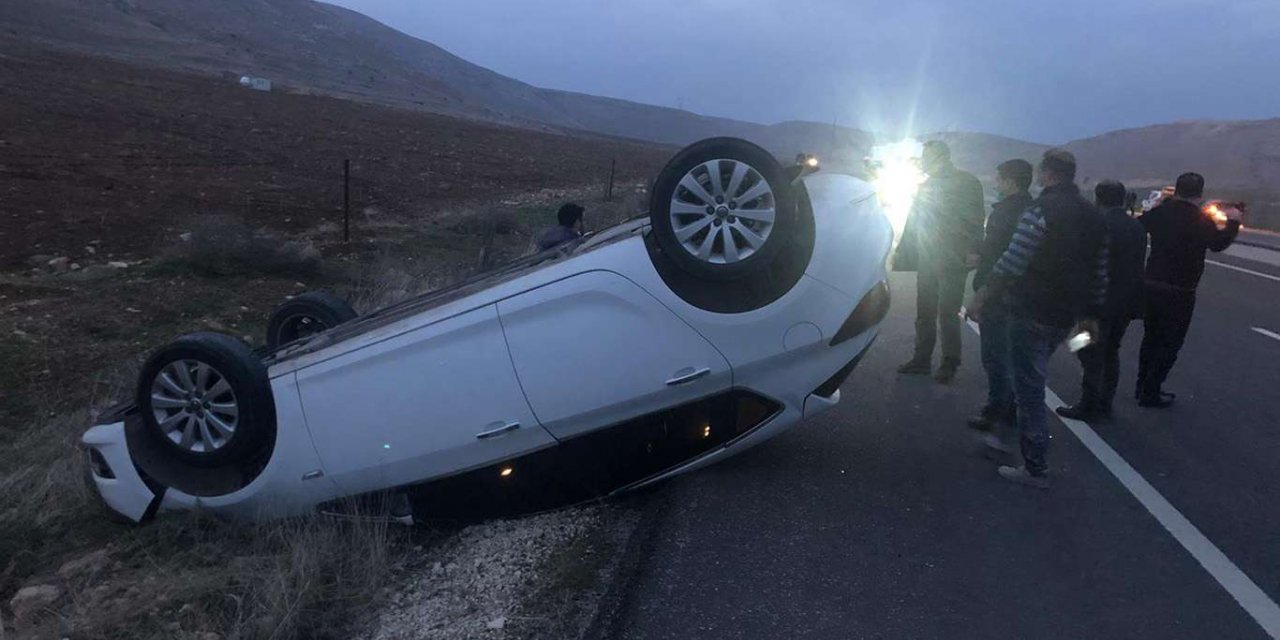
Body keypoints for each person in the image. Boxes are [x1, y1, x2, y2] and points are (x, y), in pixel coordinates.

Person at [968, 149, 1108, 489]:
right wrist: (1090, 316)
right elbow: (1100, 271)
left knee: (1028, 387)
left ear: (1047, 173)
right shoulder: (1094, 216)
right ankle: (1002, 438)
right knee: (1028, 378)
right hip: (1065, 313)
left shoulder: (1040, 210)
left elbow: (1013, 261)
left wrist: (982, 296)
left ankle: (1035, 465)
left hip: (1030, 308)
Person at [1135, 172, 1242, 407]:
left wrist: (1156, 207)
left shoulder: (1161, 213)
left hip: (1152, 284)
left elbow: (1139, 225)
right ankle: (1151, 390)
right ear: (1199, 193)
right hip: (1180, 291)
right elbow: (1218, 243)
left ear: (1177, 189)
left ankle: (1141, 385)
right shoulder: (1201, 220)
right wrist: (1233, 222)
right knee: (1170, 343)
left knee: (1151, 338)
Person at [893, 140, 986, 384]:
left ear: (941, 157)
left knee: (947, 312)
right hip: (928, 256)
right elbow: (915, 219)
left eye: (927, 157)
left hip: (954, 257)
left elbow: (977, 219)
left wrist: (974, 249)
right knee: (924, 310)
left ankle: (950, 362)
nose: (923, 161)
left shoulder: (966, 182)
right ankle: (922, 359)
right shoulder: (927, 185)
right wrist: (904, 251)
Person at [1056, 180, 1147, 421]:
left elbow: (1087, 262)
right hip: (1125, 303)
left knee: (1087, 350)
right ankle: (1105, 402)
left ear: (1097, 198)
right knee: (1110, 351)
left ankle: (1089, 404)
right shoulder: (1136, 226)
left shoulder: (1099, 224)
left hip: (1098, 302)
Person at [966, 159, 1035, 432]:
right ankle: (1011, 409)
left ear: (1010, 181)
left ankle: (997, 410)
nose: (996, 184)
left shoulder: (1005, 213)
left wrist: (982, 292)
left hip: (998, 294)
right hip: (1023, 294)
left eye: (999, 179)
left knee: (996, 356)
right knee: (1015, 356)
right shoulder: (1034, 210)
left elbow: (996, 255)